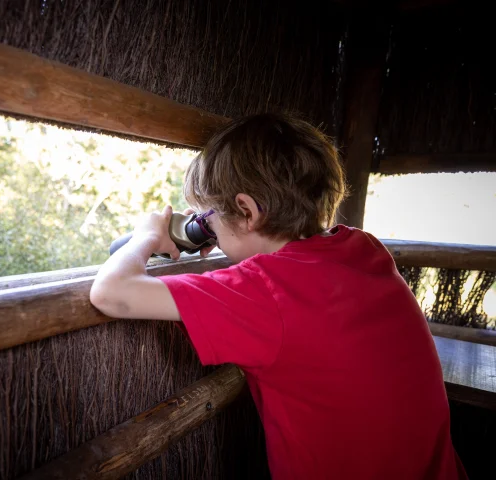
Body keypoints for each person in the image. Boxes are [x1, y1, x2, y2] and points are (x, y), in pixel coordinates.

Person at [89, 113, 467, 479]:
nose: (208, 230)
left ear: (247, 210)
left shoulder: (264, 291)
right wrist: (223, 232)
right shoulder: (364, 248)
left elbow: (111, 293)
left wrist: (146, 236)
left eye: (210, 219)